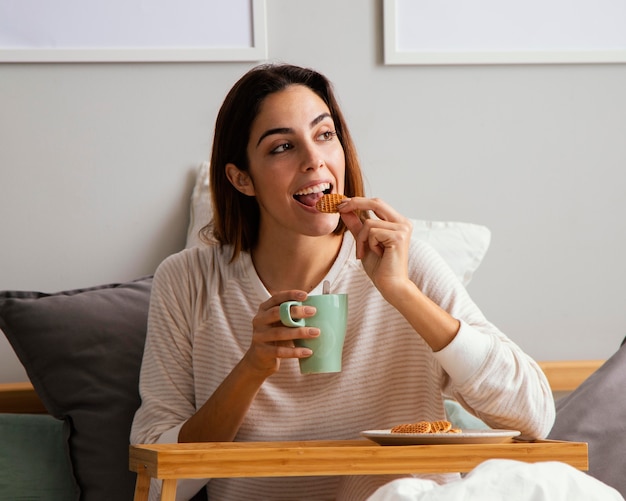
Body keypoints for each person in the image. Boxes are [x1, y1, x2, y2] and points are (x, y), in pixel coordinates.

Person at [130, 63, 555, 501]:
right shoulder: (187, 282)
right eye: (282, 147)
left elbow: (534, 416)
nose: (314, 159)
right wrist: (252, 368)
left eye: (324, 135)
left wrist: (401, 293)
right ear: (242, 178)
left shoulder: (407, 265)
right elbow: (162, 481)